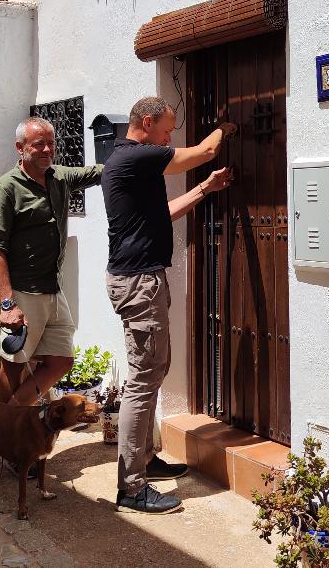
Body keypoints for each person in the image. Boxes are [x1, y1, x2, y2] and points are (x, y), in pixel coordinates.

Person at [101, 96, 236, 514]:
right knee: (143, 381)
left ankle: (143, 459)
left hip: (140, 280)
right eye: (167, 128)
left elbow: (163, 213)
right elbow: (205, 151)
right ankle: (131, 486)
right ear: (147, 122)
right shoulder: (136, 156)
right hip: (139, 283)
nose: (170, 137)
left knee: (153, 370)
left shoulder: (130, 163)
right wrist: (225, 128)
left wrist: (204, 188)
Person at [0, 115, 103, 479]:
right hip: (20, 294)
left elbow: (96, 173)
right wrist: (7, 303)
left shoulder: (59, 177)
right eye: (38, 145)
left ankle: (7, 424)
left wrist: (140, 155)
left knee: (61, 360)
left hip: (51, 287)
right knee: (14, 367)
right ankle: (0, 441)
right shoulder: (5, 189)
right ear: (21, 148)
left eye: (51, 143)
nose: (47, 150)